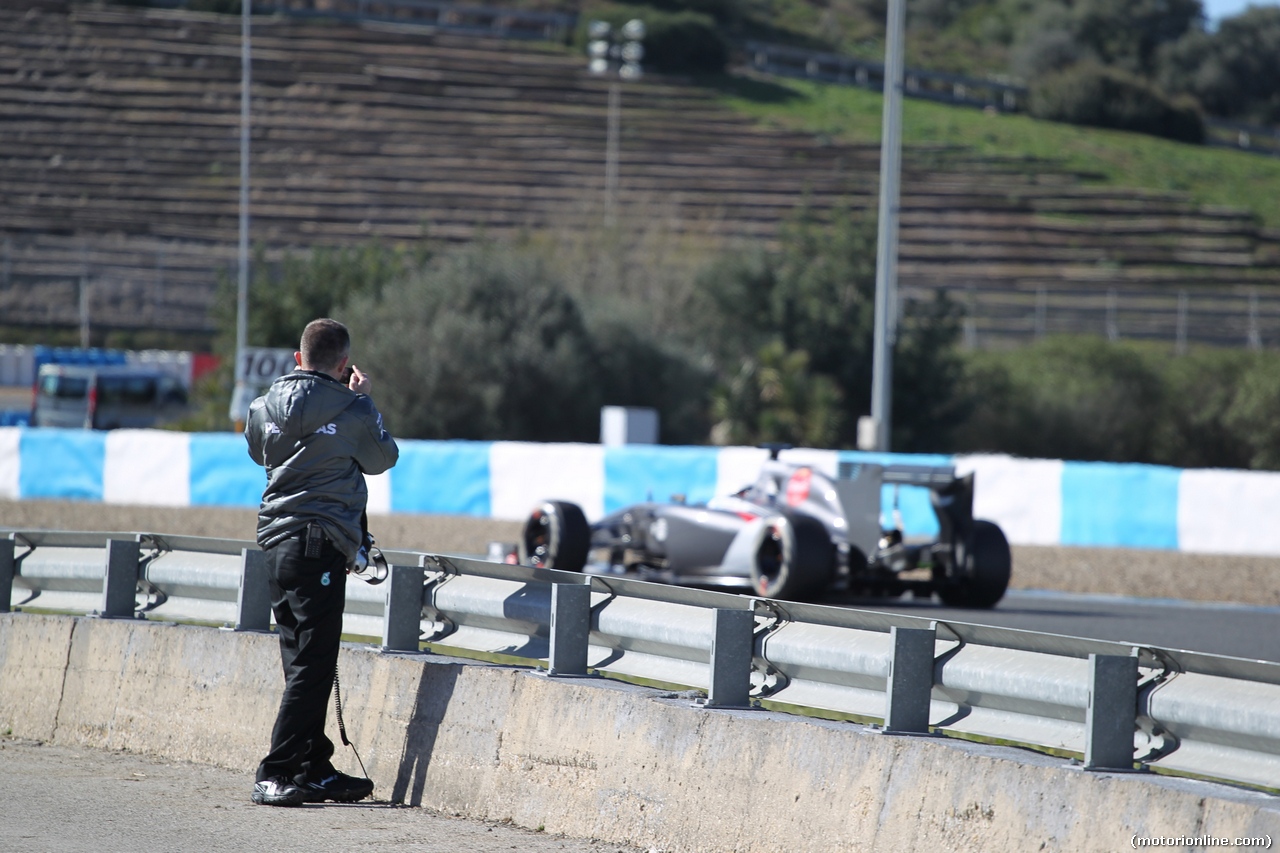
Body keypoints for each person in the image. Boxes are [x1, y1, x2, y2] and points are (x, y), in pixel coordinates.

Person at [244, 318, 399, 807]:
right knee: (314, 662)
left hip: (276, 542)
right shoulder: (352, 407)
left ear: (297, 358)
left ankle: (314, 767)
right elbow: (383, 457)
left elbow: (256, 450)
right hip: (318, 542)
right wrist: (364, 400)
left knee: (300, 659)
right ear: (342, 364)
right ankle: (276, 771)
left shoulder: (261, 405)